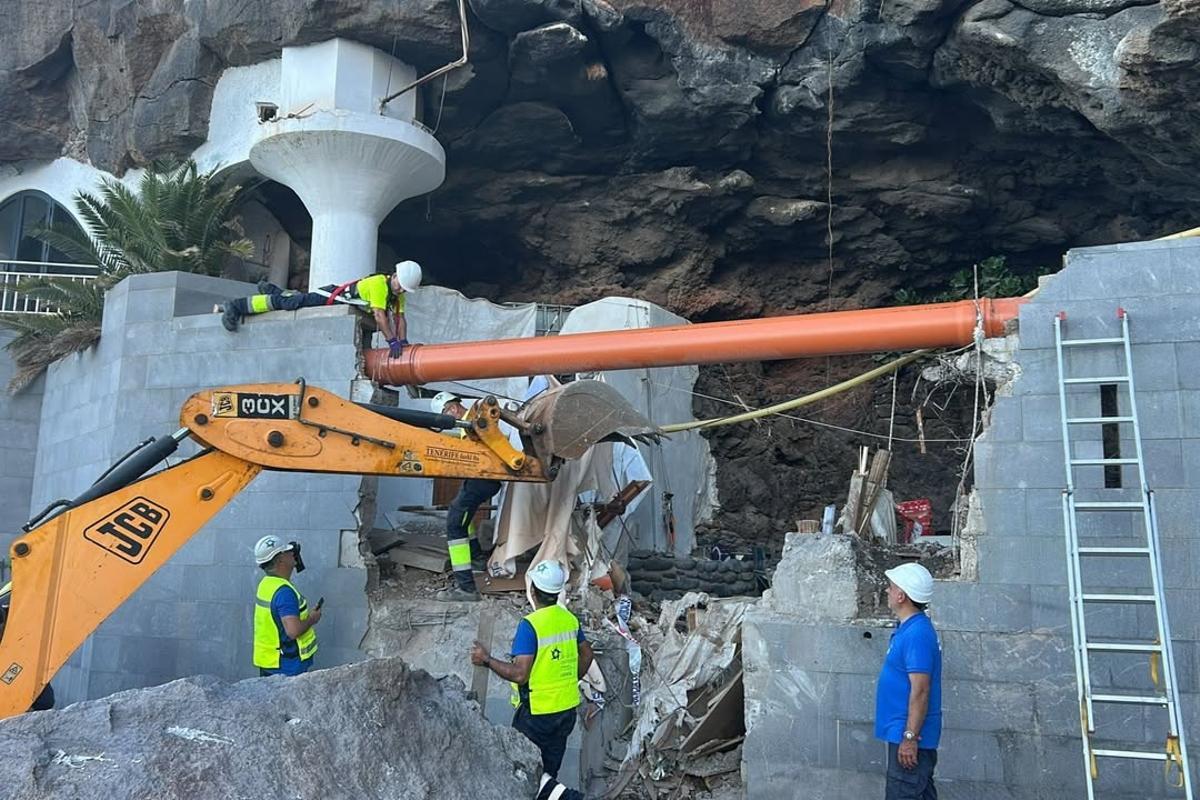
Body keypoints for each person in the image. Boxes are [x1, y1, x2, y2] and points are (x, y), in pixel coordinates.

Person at [470, 561, 592, 800]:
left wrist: (486, 659)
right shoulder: (569, 620)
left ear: (533, 590)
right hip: (566, 710)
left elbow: (519, 674)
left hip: (537, 715)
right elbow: (587, 654)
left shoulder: (530, 626)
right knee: (548, 772)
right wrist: (570, 678)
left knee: (527, 774)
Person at [221, 260, 422, 359]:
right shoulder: (380, 284)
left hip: (341, 302)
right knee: (292, 305)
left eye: (403, 288)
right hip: (333, 297)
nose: (400, 289)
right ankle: (238, 306)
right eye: (400, 285)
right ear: (394, 276)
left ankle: (274, 290)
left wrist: (403, 341)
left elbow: (400, 318)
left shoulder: (397, 294)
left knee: (299, 300)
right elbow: (379, 316)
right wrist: (392, 341)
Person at [875, 562, 941, 800]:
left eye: (890, 588)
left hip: (910, 739)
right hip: (903, 734)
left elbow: (921, 690)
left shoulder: (917, 634)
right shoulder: (908, 628)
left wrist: (910, 738)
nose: (887, 592)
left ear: (901, 595)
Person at [432, 390, 500, 602]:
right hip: (481, 479)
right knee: (461, 512)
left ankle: (466, 588)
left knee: (455, 523)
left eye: (445, 414)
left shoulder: (473, 420)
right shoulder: (469, 421)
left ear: (451, 408)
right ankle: (477, 558)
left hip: (482, 480)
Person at [253, 536, 321, 676]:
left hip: (270, 662)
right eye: (287, 551)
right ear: (281, 561)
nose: (292, 553)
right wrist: (312, 619)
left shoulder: (266, 584)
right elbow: (293, 631)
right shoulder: (284, 593)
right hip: (287, 666)